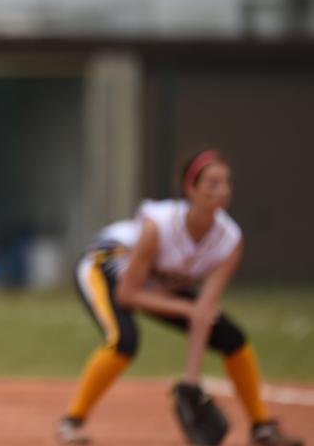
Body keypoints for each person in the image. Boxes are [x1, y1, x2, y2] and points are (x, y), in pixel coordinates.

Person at [55, 150, 303, 446]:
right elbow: (128, 295)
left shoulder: (230, 240)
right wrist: (186, 307)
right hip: (104, 264)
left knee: (232, 337)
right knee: (124, 341)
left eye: (226, 183)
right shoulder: (159, 226)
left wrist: (191, 381)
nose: (222, 190)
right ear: (191, 189)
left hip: (151, 281)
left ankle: (261, 427)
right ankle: (70, 423)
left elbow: (201, 314)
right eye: (212, 183)